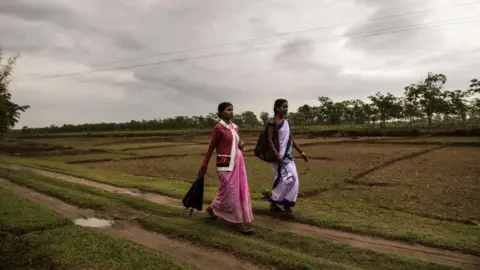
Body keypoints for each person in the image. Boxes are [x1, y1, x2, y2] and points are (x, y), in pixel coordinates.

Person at [199, 102, 254, 234]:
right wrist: (204, 164)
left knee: (237, 191)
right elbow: (211, 147)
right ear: (221, 112)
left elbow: (237, 143)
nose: (231, 112)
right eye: (228, 110)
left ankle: (212, 210)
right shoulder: (218, 128)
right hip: (224, 163)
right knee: (229, 192)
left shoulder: (235, 127)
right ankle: (237, 222)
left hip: (238, 163)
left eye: (232, 110)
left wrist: (241, 145)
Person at [266, 99, 308, 218]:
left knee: (287, 180)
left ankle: (275, 203)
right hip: (278, 157)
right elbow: (269, 140)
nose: (286, 109)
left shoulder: (286, 123)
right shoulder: (272, 122)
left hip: (288, 156)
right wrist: (277, 155)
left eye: (287, 106)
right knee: (290, 179)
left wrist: (302, 152)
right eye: (284, 107)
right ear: (277, 108)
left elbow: (291, 140)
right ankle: (287, 207)